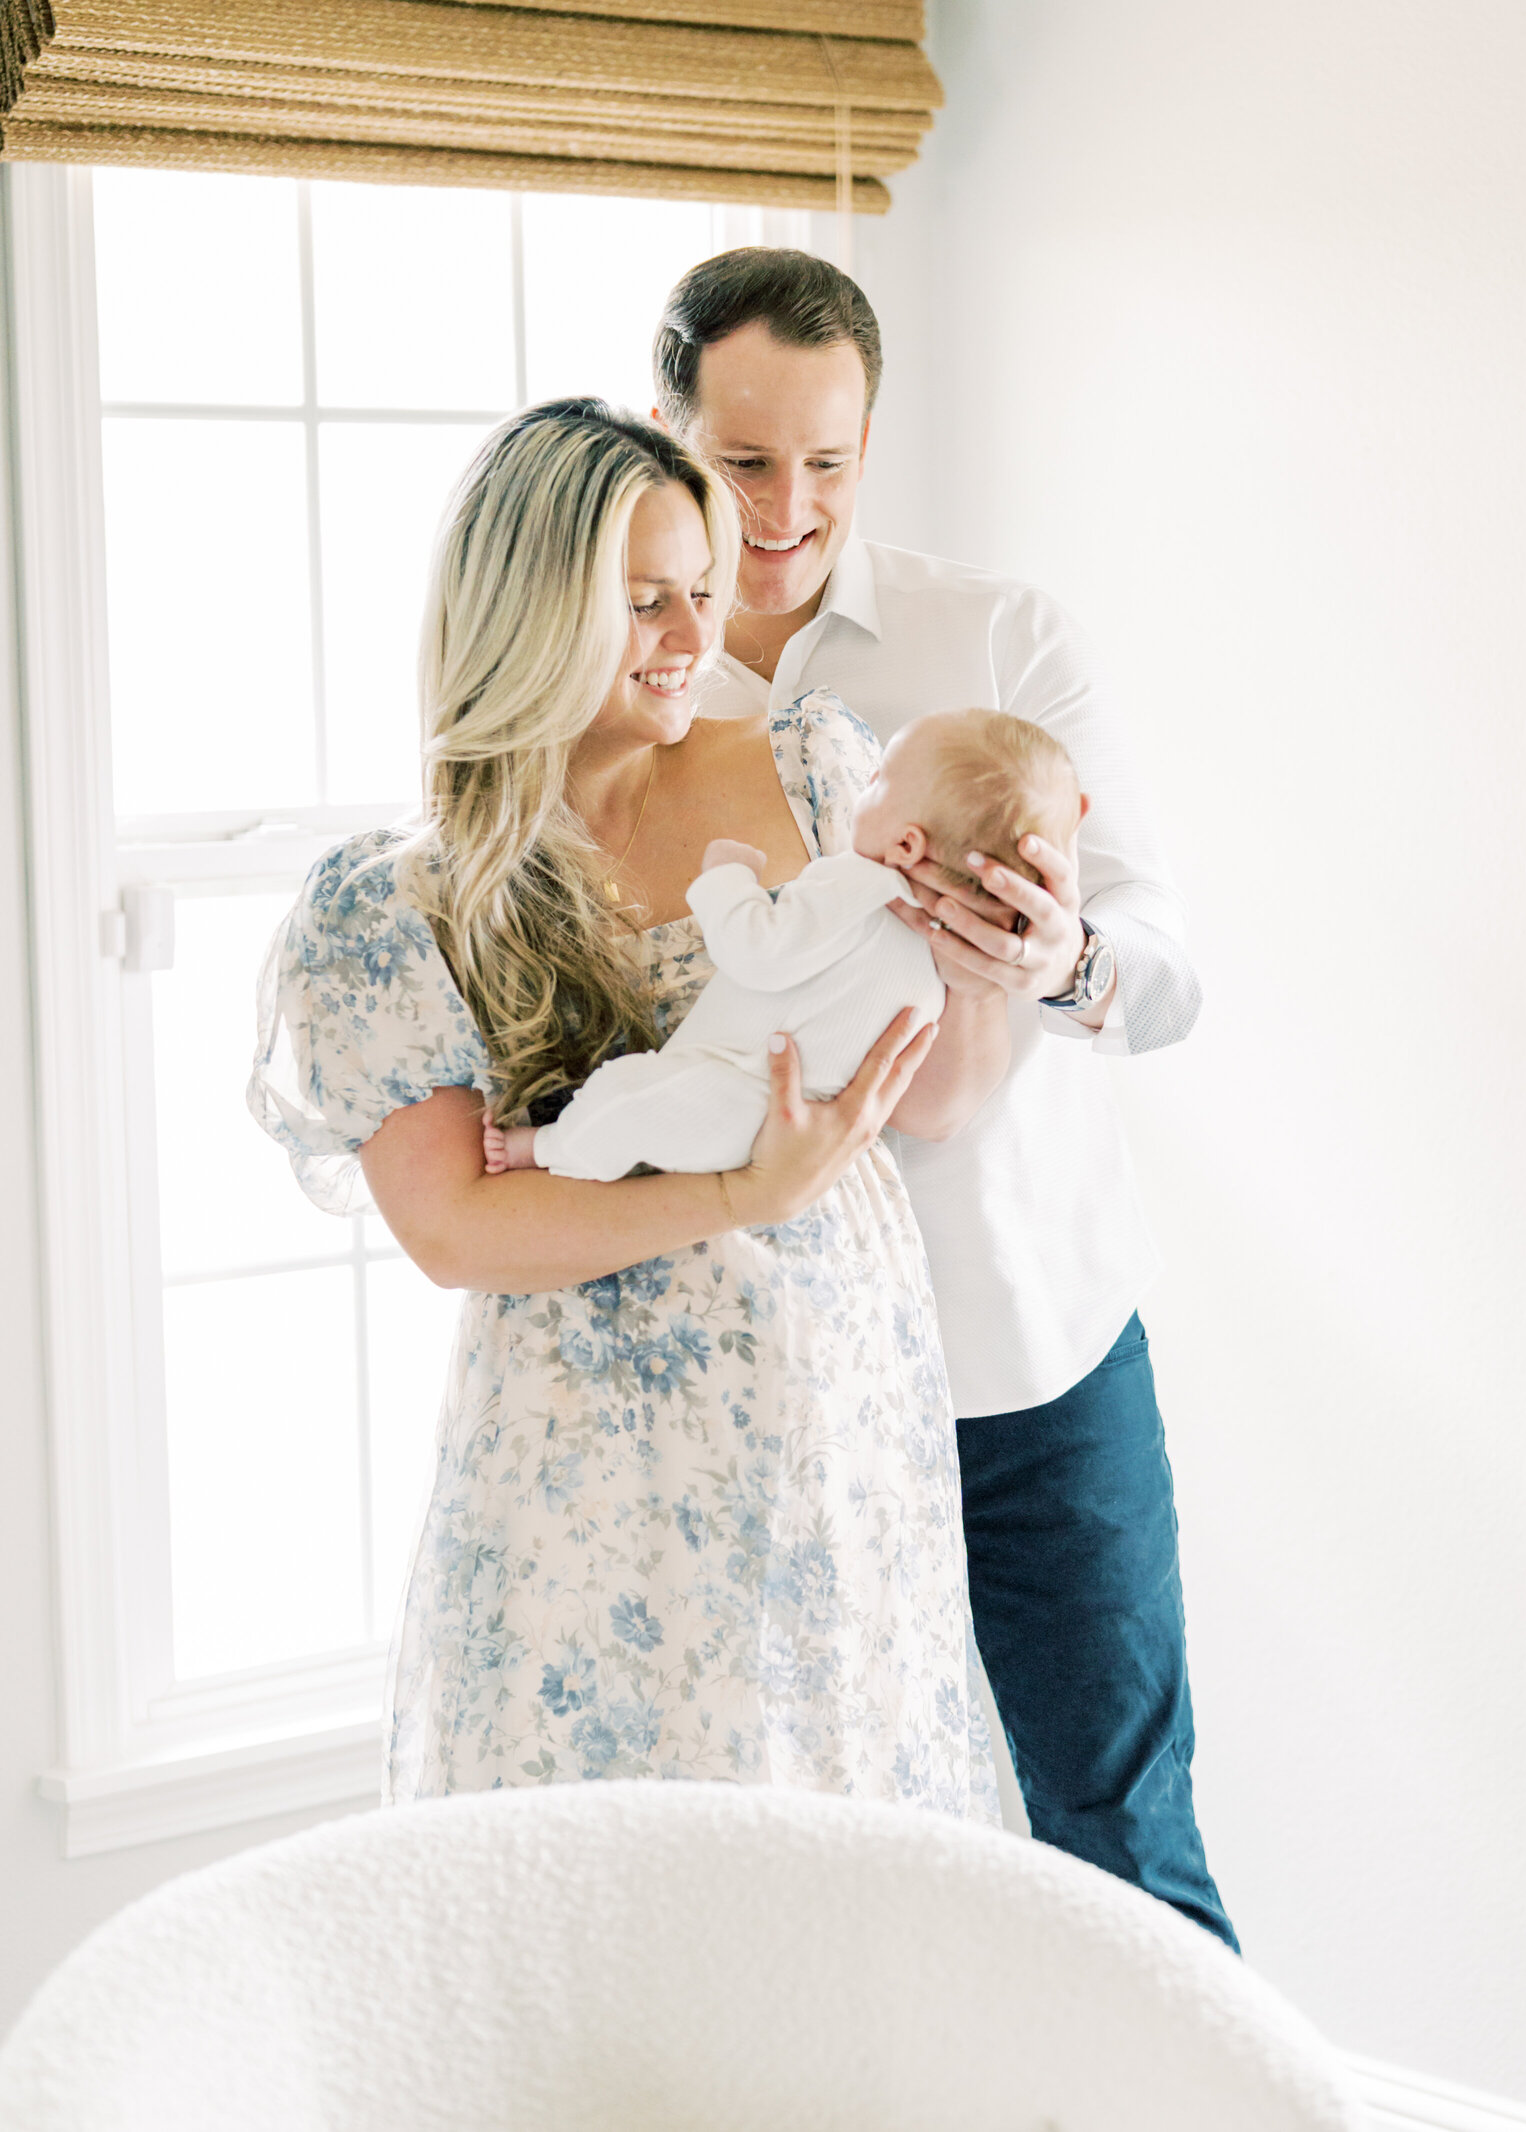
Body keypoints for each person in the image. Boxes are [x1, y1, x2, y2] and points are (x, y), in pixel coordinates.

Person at [248, 398, 1001, 1822]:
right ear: (531, 607)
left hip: (832, 1426)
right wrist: (739, 1196)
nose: (688, 637)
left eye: (701, 596)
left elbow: (937, 1101)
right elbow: (458, 1228)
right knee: (597, 1880)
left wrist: (994, 961)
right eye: (642, 599)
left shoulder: (815, 772)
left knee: (833, 1866)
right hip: (587, 1467)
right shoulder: (402, 900)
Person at [653, 250, 1238, 1949]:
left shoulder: (997, 635)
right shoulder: (623, 686)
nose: (787, 509)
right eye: (745, 461)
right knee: (814, 1882)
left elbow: (1172, 965)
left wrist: (1061, 958)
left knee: (1122, 1843)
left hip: (1033, 1357)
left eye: (828, 462)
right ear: (668, 429)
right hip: (772, 1377)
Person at [486, 708, 1080, 1184]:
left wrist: (724, 879)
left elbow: (757, 949)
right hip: (796, 1129)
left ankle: (543, 1147)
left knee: (625, 1096)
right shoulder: (938, 950)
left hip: (738, 1085)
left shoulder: (860, 882)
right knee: (639, 1110)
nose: (863, 785)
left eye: (876, 782)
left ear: (905, 843)